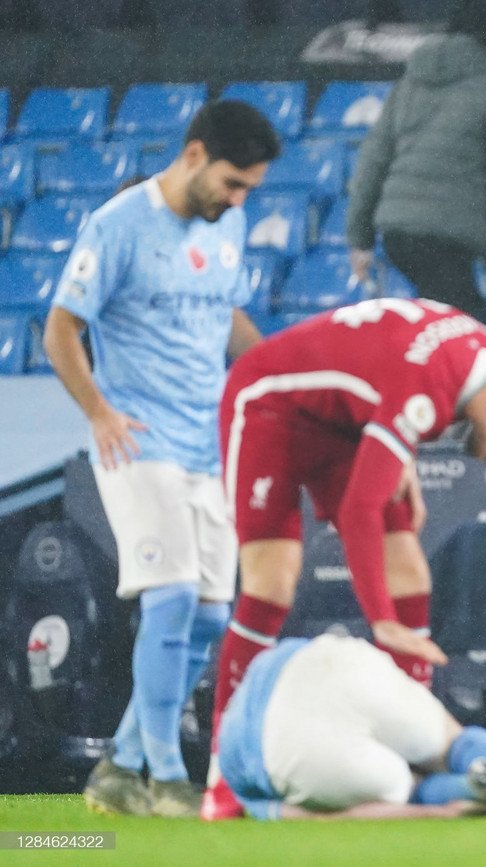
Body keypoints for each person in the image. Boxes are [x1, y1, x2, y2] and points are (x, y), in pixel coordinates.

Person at [204, 297, 486, 819]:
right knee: (272, 581)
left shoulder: (484, 355)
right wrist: (381, 620)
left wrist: (398, 451)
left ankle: (420, 750)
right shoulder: (432, 390)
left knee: (405, 559)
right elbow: (361, 507)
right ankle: (223, 773)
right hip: (271, 403)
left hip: (340, 422)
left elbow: (388, 363)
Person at [42, 100, 280, 818]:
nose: (239, 201)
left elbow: (226, 314)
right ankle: (168, 777)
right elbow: (60, 328)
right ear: (196, 153)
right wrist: (100, 411)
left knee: (210, 616)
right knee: (171, 598)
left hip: (208, 443)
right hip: (137, 441)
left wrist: (275, 370)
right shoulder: (118, 225)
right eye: (234, 183)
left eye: (249, 190)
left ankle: (120, 762)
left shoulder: (227, 224)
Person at [218, 633, 486, 820]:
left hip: (287, 746)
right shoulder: (258, 674)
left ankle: (482, 781)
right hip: (331, 663)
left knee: (408, 787)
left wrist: (433, 812)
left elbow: (317, 819)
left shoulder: (233, 777)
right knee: (451, 744)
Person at [346, 0, 486, 318]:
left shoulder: (407, 86)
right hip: (449, 234)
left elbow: (371, 165)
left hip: (397, 233)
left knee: (450, 319)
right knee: (464, 325)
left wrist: (360, 240)